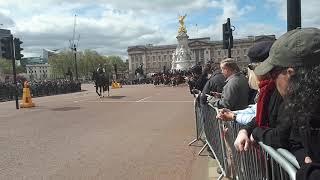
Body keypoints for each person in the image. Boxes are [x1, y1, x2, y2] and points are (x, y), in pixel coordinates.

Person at [217, 41, 274, 124]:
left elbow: (260, 119)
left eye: (252, 68)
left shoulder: (270, 90)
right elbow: (256, 109)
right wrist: (233, 114)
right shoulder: (266, 88)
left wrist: (234, 116)